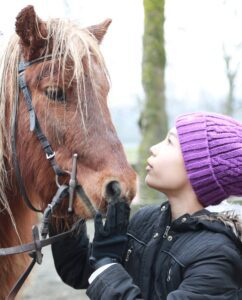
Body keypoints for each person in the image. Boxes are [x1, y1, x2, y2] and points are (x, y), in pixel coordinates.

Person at [50, 112, 242, 299]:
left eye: (169, 142)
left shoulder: (216, 257)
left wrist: (107, 265)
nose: (154, 148)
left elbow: (104, 273)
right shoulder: (147, 221)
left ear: (199, 169)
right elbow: (78, 269)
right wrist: (63, 204)